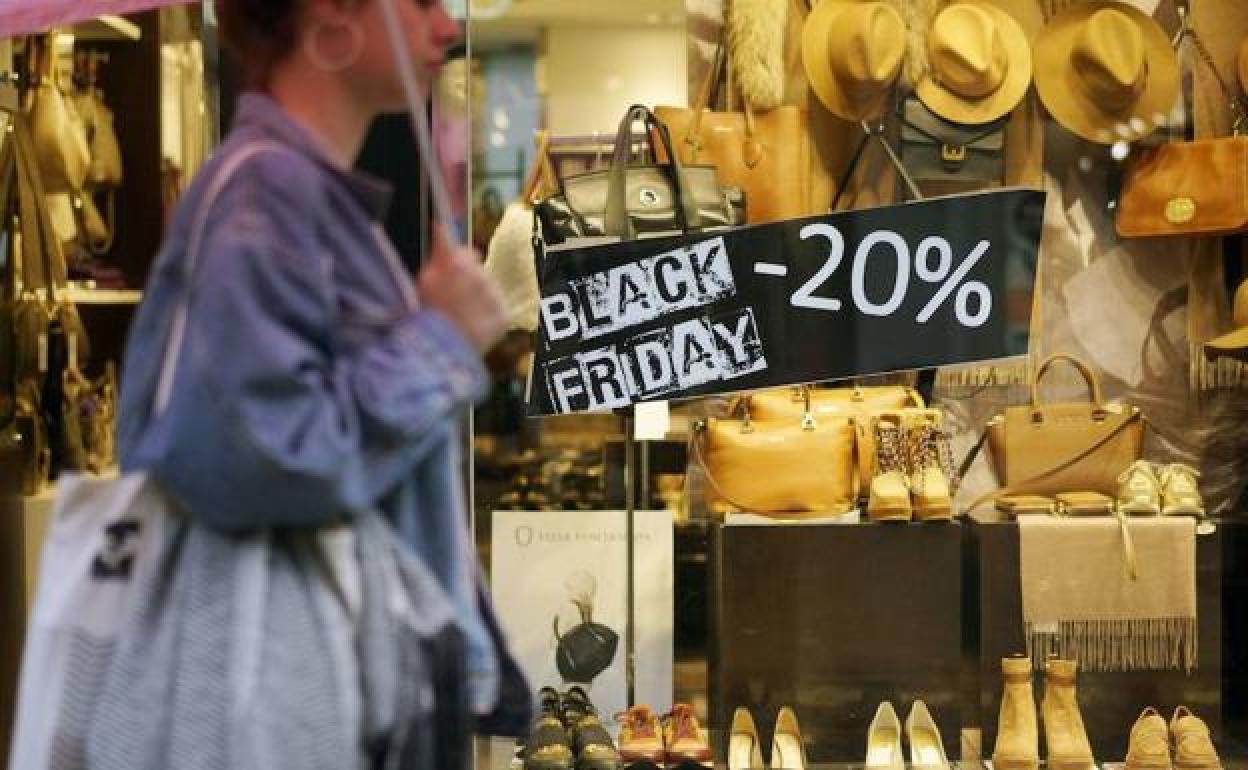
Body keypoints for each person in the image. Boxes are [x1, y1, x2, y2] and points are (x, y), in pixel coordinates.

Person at [114, 0, 530, 764]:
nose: (447, 26)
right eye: (420, 3)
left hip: (334, 691)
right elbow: (266, 455)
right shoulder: (265, 196)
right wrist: (441, 340)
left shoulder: (305, 197)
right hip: (299, 705)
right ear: (329, 16)